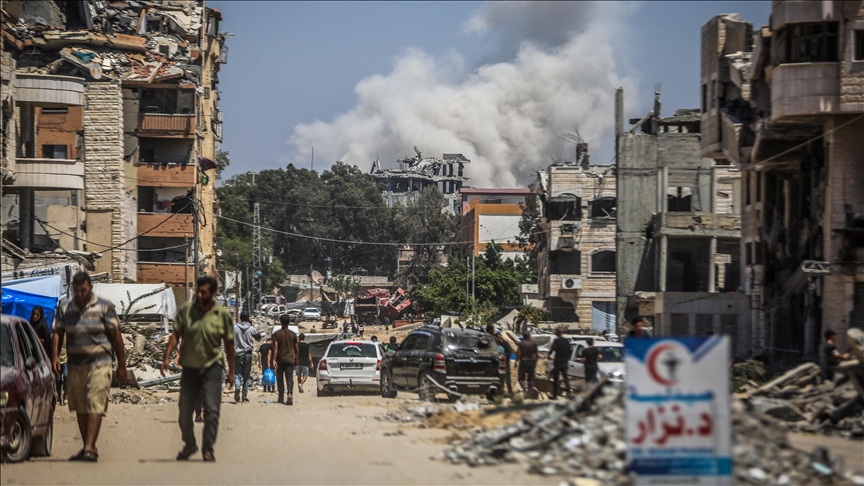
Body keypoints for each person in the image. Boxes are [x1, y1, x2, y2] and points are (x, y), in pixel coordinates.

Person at [51, 272, 127, 463]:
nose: (79, 294)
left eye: (83, 290)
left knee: (95, 402)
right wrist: (54, 357)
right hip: (75, 364)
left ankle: (88, 448)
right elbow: (58, 332)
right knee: (80, 407)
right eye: (76, 291)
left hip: (100, 363)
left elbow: (116, 336)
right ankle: (89, 446)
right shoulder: (65, 306)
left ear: (90, 287)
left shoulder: (104, 306)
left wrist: (122, 366)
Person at [160, 276, 235, 462]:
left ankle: (208, 448)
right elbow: (176, 335)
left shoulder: (222, 315)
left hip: (213, 368)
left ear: (213, 294)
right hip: (190, 369)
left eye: (204, 292)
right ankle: (190, 444)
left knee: (211, 410)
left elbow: (229, 344)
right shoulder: (187, 310)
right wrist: (167, 357)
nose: (199, 295)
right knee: (185, 411)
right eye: (198, 292)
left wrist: (232, 371)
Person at [233, 310, 261, 403]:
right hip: (248, 354)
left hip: (237, 354)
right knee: (246, 375)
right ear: (248, 318)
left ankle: (237, 387)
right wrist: (251, 324)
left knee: (238, 374)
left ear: (240, 317)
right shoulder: (251, 328)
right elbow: (258, 338)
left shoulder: (235, 327)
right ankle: (244, 396)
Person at [272, 314, 299, 405]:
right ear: (289, 322)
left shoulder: (276, 334)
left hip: (280, 360)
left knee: (280, 379)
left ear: (280, 322)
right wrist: (296, 359)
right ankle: (290, 393)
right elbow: (297, 349)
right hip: (290, 360)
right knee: (289, 378)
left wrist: (274, 360)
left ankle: (280, 397)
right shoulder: (293, 334)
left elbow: (275, 347)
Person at [486, 325, 513, 397]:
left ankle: (510, 393)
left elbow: (509, 352)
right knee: (499, 379)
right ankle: (499, 393)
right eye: (497, 336)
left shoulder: (505, 344)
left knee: (507, 379)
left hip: (505, 364)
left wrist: (505, 358)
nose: (498, 337)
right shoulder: (496, 345)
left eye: (499, 336)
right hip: (497, 365)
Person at [548, 327, 572, 399]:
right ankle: (569, 394)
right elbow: (569, 351)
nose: (555, 333)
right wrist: (567, 358)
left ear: (559, 332)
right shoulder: (567, 341)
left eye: (556, 331)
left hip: (558, 362)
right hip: (565, 362)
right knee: (566, 378)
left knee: (556, 379)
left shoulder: (556, 341)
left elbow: (551, 350)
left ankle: (555, 396)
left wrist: (549, 355)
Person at [516, 332, 538, 396]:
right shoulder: (534, 344)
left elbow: (519, 353)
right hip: (531, 362)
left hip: (523, 362)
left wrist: (516, 361)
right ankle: (529, 392)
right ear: (529, 336)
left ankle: (524, 389)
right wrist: (535, 362)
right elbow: (537, 355)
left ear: (523, 336)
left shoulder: (521, 343)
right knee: (531, 378)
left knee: (521, 378)